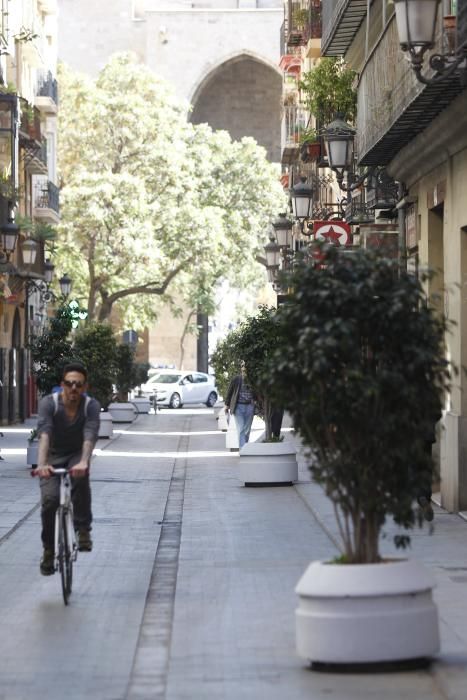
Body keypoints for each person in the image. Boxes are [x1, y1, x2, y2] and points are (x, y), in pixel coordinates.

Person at [35, 362, 101, 576]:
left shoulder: (90, 406)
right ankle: (48, 550)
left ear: (85, 387)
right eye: (69, 383)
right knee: (50, 501)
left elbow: (90, 434)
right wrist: (42, 464)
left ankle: (83, 530)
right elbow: (44, 433)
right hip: (53, 455)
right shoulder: (49, 404)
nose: (73, 388)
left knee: (81, 478)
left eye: (78, 385)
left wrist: (84, 461)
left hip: (76, 455)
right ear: (62, 384)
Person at [224, 363, 256, 449]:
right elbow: (230, 392)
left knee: (247, 429)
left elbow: (256, 393)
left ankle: (246, 446)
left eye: (246, 366)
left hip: (250, 406)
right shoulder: (236, 379)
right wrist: (227, 405)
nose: (244, 368)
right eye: (242, 366)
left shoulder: (252, 379)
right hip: (238, 407)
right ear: (240, 368)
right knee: (241, 428)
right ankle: (242, 449)